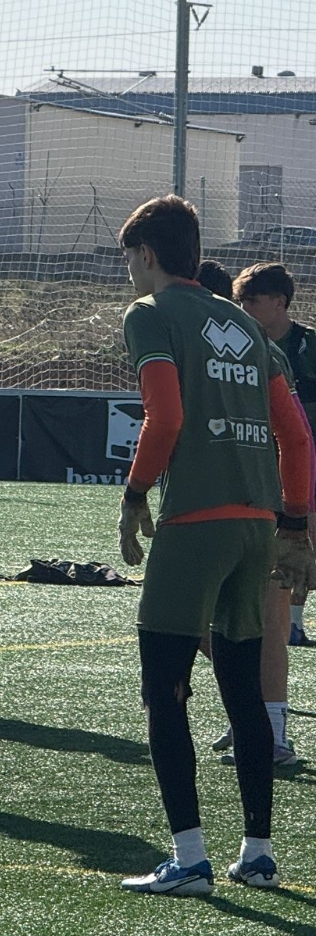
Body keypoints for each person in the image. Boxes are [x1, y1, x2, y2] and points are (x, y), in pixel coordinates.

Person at [114, 197, 312, 896]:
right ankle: (257, 853)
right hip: (257, 525)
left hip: (194, 522)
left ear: (145, 255)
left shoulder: (150, 315)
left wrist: (135, 494)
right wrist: (294, 521)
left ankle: (190, 858)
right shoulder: (244, 323)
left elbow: (164, 418)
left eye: (129, 260)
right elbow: (296, 437)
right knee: (242, 691)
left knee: (164, 691)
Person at [195, 260, 310, 768]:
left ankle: (272, 732)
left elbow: (296, 437)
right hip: (227, 499)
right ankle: (250, 712)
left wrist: (299, 509)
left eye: (251, 302)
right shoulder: (220, 347)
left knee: (272, 611)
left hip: (287, 495)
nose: (243, 311)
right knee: (202, 619)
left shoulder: (294, 350)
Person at [232, 261, 316, 647]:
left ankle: (294, 622)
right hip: (260, 465)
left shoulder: (307, 345)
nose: (243, 309)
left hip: (305, 461)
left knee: (303, 541)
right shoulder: (239, 348)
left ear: (280, 302)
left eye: (252, 301)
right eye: (240, 301)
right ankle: (275, 621)